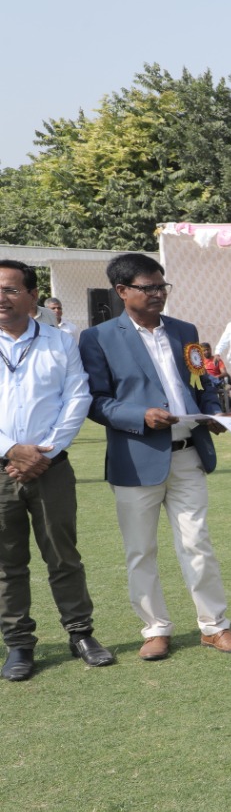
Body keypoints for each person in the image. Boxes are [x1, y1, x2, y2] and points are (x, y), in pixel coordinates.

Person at [78, 254, 231, 660]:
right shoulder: (98, 338)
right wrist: (141, 415)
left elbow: (200, 382)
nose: (158, 294)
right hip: (136, 459)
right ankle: (155, 628)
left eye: (162, 286)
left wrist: (212, 411)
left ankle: (214, 626)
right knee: (141, 550)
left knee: (198, 544)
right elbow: (96, 403)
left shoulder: (184, 330)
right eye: (148, 288)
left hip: (188, 454)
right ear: (122, 292)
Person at [0, 260, 108, 682]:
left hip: (51, 467)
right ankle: (19, 644)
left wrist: (44, 452)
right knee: (8, 564)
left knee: (63, 556)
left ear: (31, 296)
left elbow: (76, 397)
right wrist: (12, 449)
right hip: (3, 469)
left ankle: (81, 634)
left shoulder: (60, 342)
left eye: (10, 290)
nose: (1, 298)